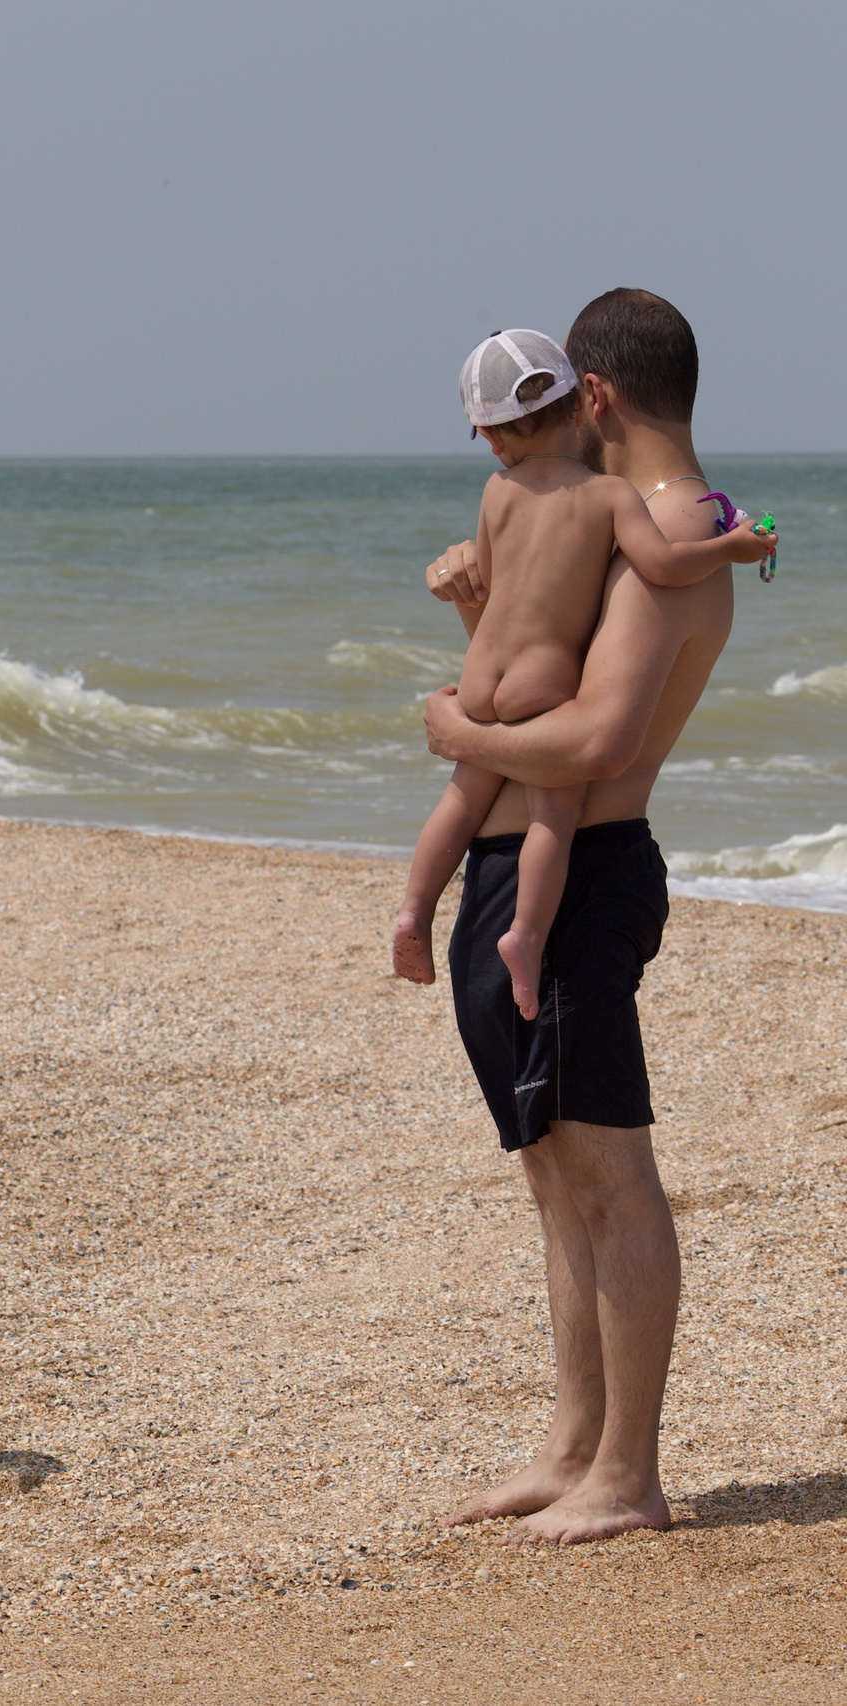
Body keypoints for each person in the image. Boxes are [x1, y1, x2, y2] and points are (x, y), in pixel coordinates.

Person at [414, 288, 739, 1546]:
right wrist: (473, 604)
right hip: (537, 864)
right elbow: (542, 655)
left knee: (607, 1169)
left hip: (586, 867)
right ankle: (573, 1446)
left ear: (593, 397)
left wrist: (452, 723)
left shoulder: (666, 529)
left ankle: (628, 1472)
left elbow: (599, 734)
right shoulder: (641, 528)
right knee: (556, 1173)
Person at [392, 329, 773, 1018]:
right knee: (554, 814)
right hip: (539, 685)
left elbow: (496, 591)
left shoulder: (495, 491)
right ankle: (527, 939)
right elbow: (661, 566)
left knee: (458, 800)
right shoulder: (606, 498)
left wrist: (465, 722)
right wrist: (730, 548)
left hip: (483, 679)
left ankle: (414, 910)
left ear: (489, 434)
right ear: (580, 405)